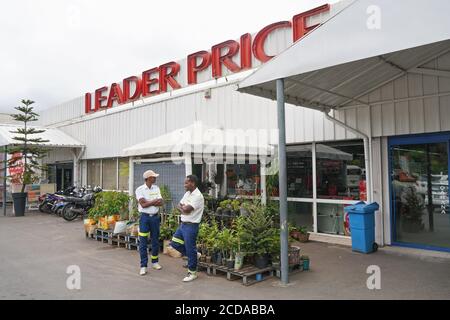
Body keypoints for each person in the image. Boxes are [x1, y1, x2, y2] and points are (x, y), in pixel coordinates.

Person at [170, 175, 204, 282]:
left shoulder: (198, 196)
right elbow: (180, 205)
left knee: (190, 249)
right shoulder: (187, 193)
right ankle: (195, 255)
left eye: (186, 183)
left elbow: (187, 210)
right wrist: (182, 208)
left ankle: (192, 273)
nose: (184, 185)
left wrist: (183, 208)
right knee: (175, 243)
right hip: (183, 225)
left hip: (191, 226)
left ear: (192, 183)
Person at [135, 170, 164, 276]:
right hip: (144, 218)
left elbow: (161, 202)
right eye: (153, 177)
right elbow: (143, 204)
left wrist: (149, 202)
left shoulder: (156, 188)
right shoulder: (140, 189)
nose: (155, 178)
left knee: (155, 240)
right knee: (143, 241)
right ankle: (143, 266)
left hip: (155, 218)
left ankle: (155, 262)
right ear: (147, 178)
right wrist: (153, 201)